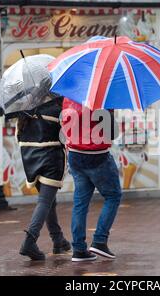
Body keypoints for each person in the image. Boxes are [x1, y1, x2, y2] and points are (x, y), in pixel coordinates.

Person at [61, 98, 122, 262]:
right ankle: (100, 241)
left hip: (74, 154)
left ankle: (79, 250)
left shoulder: (68, 98)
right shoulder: (104, 98)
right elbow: (112, 133)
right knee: (113, 196)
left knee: (80, 203)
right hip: (97, 156)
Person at [11, 96, 71, 261]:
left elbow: (18, 137)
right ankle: (29, 241)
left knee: (49, 201)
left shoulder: (25, 110)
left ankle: (58, 239)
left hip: (30, 159)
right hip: (51, 158)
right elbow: (66, 136)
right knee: (45, 201)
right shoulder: (58, 108)